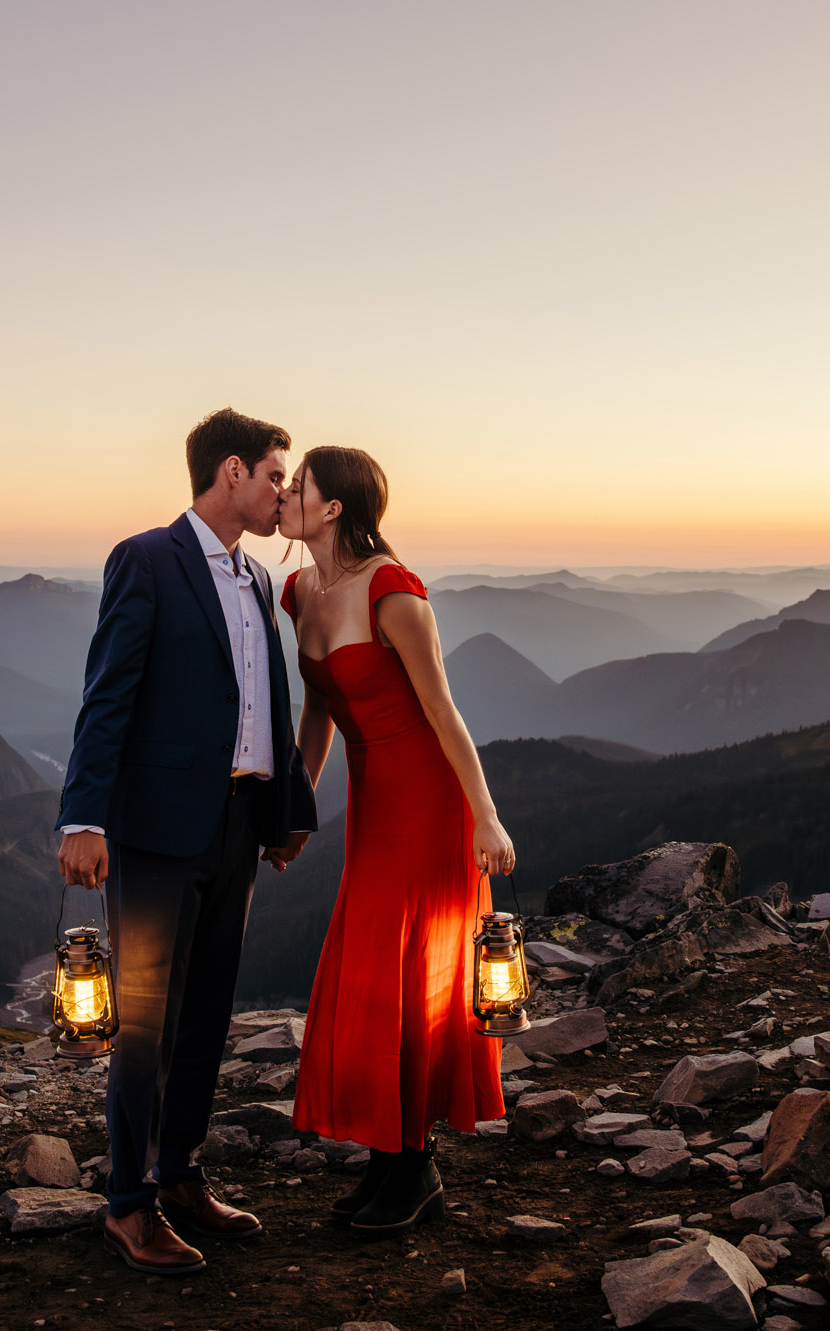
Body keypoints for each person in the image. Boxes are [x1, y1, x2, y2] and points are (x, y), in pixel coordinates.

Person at [55, 407, 320, 1276]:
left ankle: (181, 1173)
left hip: (237, 826)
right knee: (145, 1026)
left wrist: (283, 814)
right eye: (277, 475)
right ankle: (128, 1206)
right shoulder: (147, 559)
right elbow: (109, 692)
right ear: (233, 470)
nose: (283, 490)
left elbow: (265, 707)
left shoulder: (251, 577)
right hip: (157, 829)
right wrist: (83, 819)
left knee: (207, 1013)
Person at [276, 445, 514, 1235]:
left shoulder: (394, 592)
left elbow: (445, 712)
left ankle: (412, 1167)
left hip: (428, 797)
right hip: (374, 799)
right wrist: (299, 808)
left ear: (333, 507)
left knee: (407, 969)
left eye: (297, 486)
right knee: (378, 972)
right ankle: (393, 1163)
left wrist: (484, 813)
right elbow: (318, 715)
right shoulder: (299, 590)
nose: (283, 495)